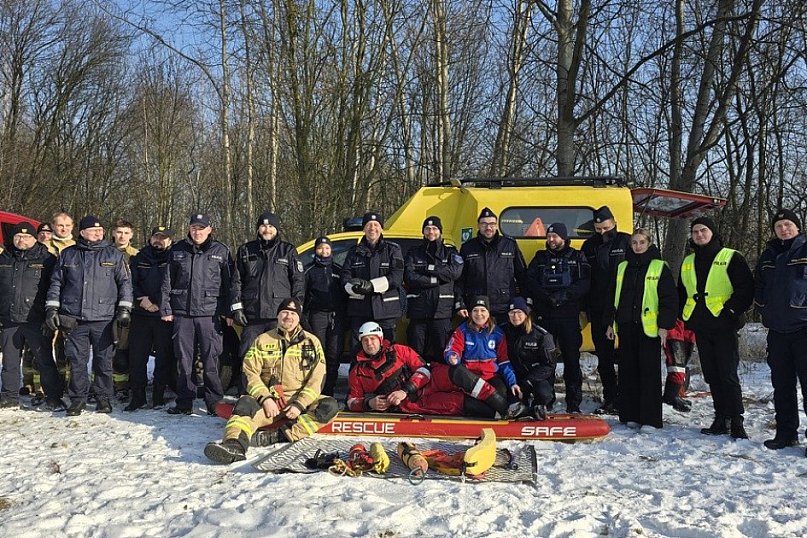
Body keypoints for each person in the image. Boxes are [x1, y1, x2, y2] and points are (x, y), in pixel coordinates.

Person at [204, 298, 339, 464]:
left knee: (330, 406)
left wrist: (299, 404)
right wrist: (265, 398)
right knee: (245, 403)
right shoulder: (262, 340)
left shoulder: (312, 342)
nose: (288, 316)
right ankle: (234, 445)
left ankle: (281, 435)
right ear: (278, 316)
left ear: (298, 318)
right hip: (270, 404)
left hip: (299, 404)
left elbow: (318, 379)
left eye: (292, 313)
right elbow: (249, 372)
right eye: (284, 313)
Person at [45, 216, 133, 416]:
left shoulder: (113, 255)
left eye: (100, 230)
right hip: (74, 317)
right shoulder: (68, 255)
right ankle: (78, 399)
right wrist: (52, 309)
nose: (98, 233)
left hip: (103, 318)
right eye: (93, 230)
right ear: (82, 233)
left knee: (103, 361)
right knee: (77, 361)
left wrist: (124, 308)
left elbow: (125, 284)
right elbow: (56, 283)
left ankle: (103, 398)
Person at [678, 216, 754, 438]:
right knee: (712, 374)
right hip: (701, 326)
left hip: (725, 326)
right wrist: (682, 316)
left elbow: (746, 289)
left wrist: (731, 311)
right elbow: (681, 292)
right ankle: (720, 418)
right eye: (695, 232)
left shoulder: (730, 257)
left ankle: (736, 421)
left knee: (728, 374)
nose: (699, 235)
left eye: (703, 231)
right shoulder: (688, 262)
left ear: (712, 233)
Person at [348, 321, 509, 417]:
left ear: (380, 339)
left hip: (427, 382)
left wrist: (405, 389)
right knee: (458, 403)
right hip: (412, 402)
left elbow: (423, 369)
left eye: (373, 339)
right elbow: (351, 402)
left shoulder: (398, 350)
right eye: (365, 340)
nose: (370, 343)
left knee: (457, 372)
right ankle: (497, 416)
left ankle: (505, 407)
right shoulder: (357, 371)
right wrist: (370, 403)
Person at [160, 213, 233, 416]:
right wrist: (165, 308)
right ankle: (184, 402)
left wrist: (228, 311)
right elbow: (167, 282)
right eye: (194, 228)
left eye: (201, 228)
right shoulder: (177, 250)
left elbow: (230, 284)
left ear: (210, 229)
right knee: (184, 361)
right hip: (183, 313)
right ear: (189, 229)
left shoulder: (222, 251)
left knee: (211, 360)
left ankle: (214, 403)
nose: (197, 232)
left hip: (210, 314)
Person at [605, 229, 677, 429]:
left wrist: (664, 325)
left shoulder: (659, 267)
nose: (638, 246)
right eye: (634, 242)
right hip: (626, 326)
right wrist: (610, 322)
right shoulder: (622, 267)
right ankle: (631, 415)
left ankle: (650, 420)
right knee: (628, 373)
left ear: (649, 244)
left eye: (642, 242)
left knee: (648, 374)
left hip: (649, 329)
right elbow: (612, 297)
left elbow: (669, 299)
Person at [230, 212, 305, 394]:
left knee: (280, 357)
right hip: (252, 316)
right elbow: (236, 282)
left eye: (271, 226)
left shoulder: (287, 251)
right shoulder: (246, 250)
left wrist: (296, 310)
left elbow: (298, 282)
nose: (267, 230)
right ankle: (246, 394)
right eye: (263, 226)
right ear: (258, 229)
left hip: (278, 317)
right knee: (248, 355)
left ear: (276, 229)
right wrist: (236, 307)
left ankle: (280, 393)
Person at [754, 209, 807, 452]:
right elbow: (759, 286)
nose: (783, 229)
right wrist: (763, 305)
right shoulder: (768, 254)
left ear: (797, 227)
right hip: (777, 330)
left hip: (803, 328)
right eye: (778, 226)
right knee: (782, 385)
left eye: (788, 225)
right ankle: (786, 433)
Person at [525, 222, 590, 413]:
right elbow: (529, 281)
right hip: (545, 315)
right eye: (549, 236)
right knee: (545, 360)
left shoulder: (577, 257)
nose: (551, 240)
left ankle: (574, 403)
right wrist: (545, 298)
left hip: (569, 315)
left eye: (555, 236)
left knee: (571, 359)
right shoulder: (540, 258)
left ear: (564, 237)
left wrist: (564, 296)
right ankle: (546, 399)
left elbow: (585, 283)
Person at [0, 223, 62, 410]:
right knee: (9, 361)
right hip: (9, 319)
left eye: (26, 237)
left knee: (44, 360)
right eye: (18, 236)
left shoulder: (47, 260)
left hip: (36, 319)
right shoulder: (4, 258)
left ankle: (53, 397)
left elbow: (55, 288)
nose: (22, 240)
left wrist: (50, 314)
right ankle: (9, 396)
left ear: (35, 238)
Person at [581, 206, 631, 415]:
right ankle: (610, 398)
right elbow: (584, 278)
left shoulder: (626, 241)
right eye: (598, 228)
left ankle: (628, 398)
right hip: (599, 309)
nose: (602, 232)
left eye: (606, 227)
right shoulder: (589, 246)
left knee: (628, 357)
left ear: (614, 222)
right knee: (605, 358)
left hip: (625, 308)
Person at [125, 226, 177, 411]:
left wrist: (157, 302)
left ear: (170, 240)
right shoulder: (140, 257)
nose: (159, 240)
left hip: (164, 315)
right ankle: (137, 397)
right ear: (150, 238)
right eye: (156, 236)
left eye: (163, 238)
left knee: (164, 357)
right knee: (137, 357)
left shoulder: (175, 257)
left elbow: (175, 282)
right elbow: (131, 282)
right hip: (141, 313)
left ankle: (158, 396)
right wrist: (143, 301)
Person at [444, 296, 522, 417]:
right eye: (475, 310)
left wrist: (513, 383)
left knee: (500, 393)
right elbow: (453, 348)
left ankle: (497, 412)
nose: (479, 314)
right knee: (468, 392)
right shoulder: (462, 330)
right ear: (470, 313)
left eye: (482, 310)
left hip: (490, 376)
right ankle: (500, 411)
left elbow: (503, 361)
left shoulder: (497, 333)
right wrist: (453, 356)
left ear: (488, 312)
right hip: (471, 377)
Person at [404, 216, 463, 362]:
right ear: (423, 232)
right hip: (418, 311)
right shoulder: (414, 252)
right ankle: (417, 383)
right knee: (416, 355)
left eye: (434, 228)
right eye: (427, 228)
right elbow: (410, 277)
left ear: (440, 231)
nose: (431, 231)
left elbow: (454, 273)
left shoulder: (450, 253)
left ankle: (441, 383)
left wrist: (428, 268)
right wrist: (436, 280)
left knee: (442, 353)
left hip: (441, 312)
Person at [340, 212, 404, 345]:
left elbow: (397, 277)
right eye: (368, 225)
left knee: (388, 349)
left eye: (376, 225)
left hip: (386, 310)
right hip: (359, 310)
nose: (372, 228)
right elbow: (345, 276)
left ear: (381, 228)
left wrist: (372, 286)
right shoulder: (354, 252)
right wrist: (353, 287)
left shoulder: (393, 250)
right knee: (357, 349)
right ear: (364, 228)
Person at [455, 207, 527, 325]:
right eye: (484, 224)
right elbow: (460, 279)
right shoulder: (467, 247)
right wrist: (459, 303)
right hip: (477, 308)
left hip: (504, 308)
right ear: (478, 225)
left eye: (492, 224)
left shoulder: (509, 245)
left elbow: (522, 275)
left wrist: (524, 302)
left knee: (504, 342)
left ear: (497, 225)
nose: (488, 227)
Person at [303, 236, 346, 396]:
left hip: (336, 317)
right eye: (321, 248)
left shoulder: (338, 270)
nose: (324, 251)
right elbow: (302, 295)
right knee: (317, 354)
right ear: (316, 250)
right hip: (317, 316)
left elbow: (345, 295)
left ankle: (329, 391)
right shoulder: (308, 270)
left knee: (334, 355)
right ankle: (315, 390)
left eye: (327, 248)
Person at [502, 297, 557, 420]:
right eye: (512, 313)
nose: (515, 316)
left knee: (544, 394)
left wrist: (529, 381)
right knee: (509, 403)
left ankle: (539, 407)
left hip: (536, 377)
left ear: (526, 314)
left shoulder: (542, 335)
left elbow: (549, 365)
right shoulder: (502, 331)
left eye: (519, 312)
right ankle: (526, 410)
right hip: (514, 378)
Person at [110, 219, 139, 400]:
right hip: (104, 305)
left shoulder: (137, 255)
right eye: (119, 232)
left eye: (126, 233)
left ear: (132, 235)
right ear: (113, 233)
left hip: (127, 307)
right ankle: (100, 385)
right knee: (103, 348)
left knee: (123, 348)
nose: (122, 236)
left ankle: (122, 386)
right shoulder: (103, 252)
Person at [662, 319, 695, 412]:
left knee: (683, 359)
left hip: (689, 320)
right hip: (674, 319)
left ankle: (675, 394)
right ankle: (671, 395)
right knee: (676, 360)